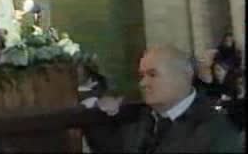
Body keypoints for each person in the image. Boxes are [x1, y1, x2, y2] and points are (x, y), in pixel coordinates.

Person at [82, 45, 243, 153]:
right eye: (141, 76)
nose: (143, 83)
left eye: (153, 74)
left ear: (184, 75)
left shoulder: (216, 129)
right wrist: (95, 107)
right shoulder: (136, 118)